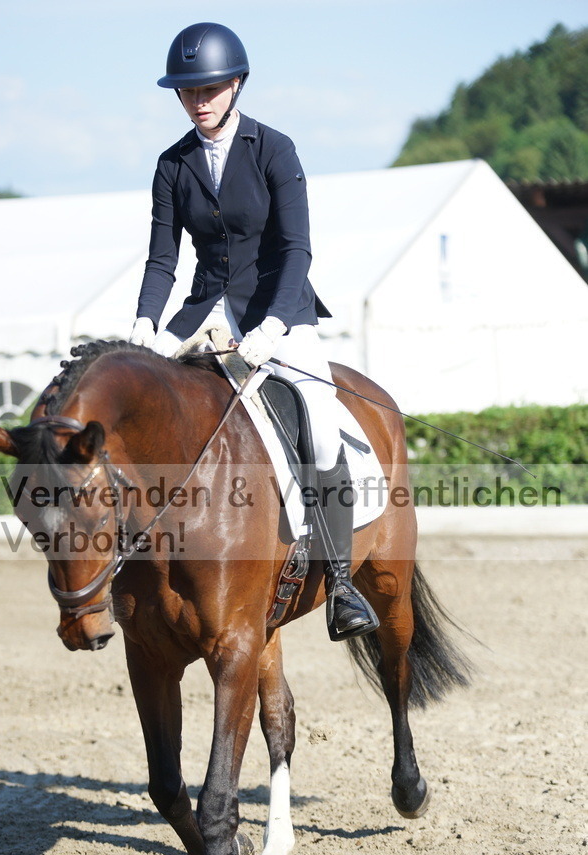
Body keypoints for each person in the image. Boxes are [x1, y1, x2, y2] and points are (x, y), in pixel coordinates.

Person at [131, 22, 378, 640]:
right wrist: (143, 326)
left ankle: (343, 584)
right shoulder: (172, 164)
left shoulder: (274, 149)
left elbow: (297, 250)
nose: (198, 100)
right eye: (188, 92)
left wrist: (271, 324)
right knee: (150, 420)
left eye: (210, 88)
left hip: (279, 311)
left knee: (320, 428)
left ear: (235, 84)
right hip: (202, 317)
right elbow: (162, 259)